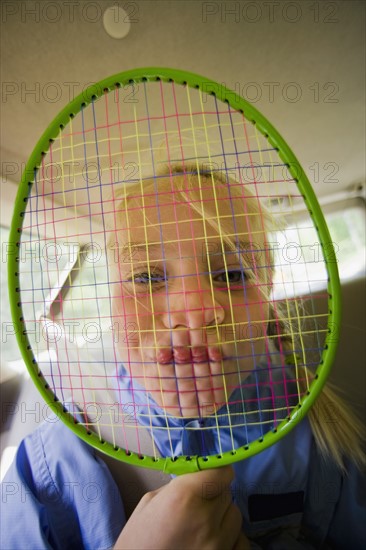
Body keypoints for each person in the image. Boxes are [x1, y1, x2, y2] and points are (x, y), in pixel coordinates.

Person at [1, 166, 365, 549]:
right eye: (146, 277)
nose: (193, 310)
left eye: (231, 273)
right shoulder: (51, 465)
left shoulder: (323, 440)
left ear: (268, 291)